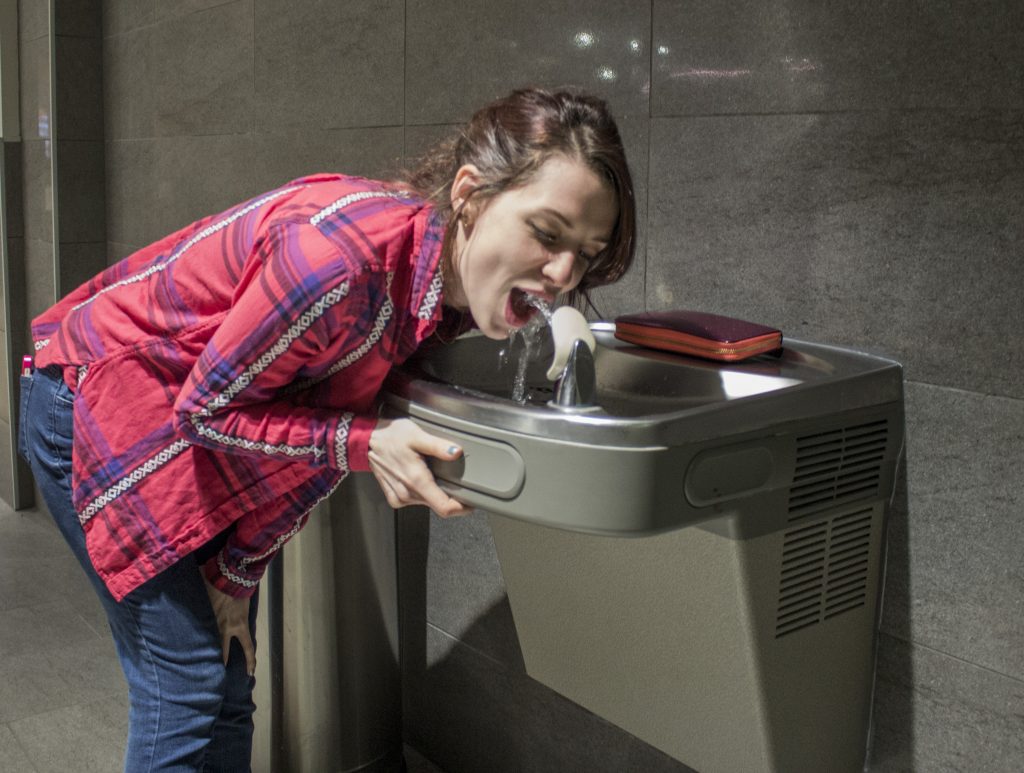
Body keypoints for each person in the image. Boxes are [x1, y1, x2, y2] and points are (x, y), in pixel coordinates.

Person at [18, 86, 636, 772]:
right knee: (189, 684)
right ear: (469, 192)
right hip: (96, 402)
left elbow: (312, 425)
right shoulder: (342, 263)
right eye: (547, 234)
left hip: (190, 428)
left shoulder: (436, 299)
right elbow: (209, 412)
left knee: (228, 673)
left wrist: (238, 571)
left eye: (585, 253)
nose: (561, 275)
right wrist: (369, 444)